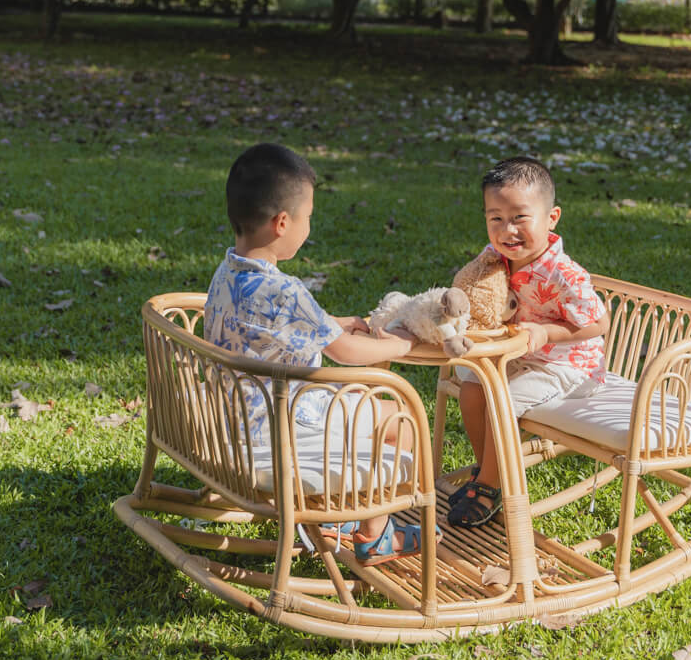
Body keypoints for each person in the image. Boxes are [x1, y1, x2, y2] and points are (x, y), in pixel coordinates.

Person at [204, 142, 427, 565]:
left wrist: (331, 321)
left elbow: (269, 328)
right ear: (282, 223)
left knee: (373, 411)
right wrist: (400, 344)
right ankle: (375, 533)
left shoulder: (228, 270)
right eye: (308, 217)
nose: (309, 226)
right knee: (400, 416)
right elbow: (344, 353)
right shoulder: (288, 291)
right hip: (278, 426)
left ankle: (346, 510)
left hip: (233, 417)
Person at [449, 157, 609, 529]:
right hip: (520, 353)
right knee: (471, 384)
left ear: (551, 218)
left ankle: (489, 485)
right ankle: (488, 470)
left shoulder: (563, 273)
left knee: (503, 398)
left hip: (568, 364)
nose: (508, 230)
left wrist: (548, 332)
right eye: (496, 219)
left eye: (520, 218)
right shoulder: (496, 259)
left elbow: (600, 323)